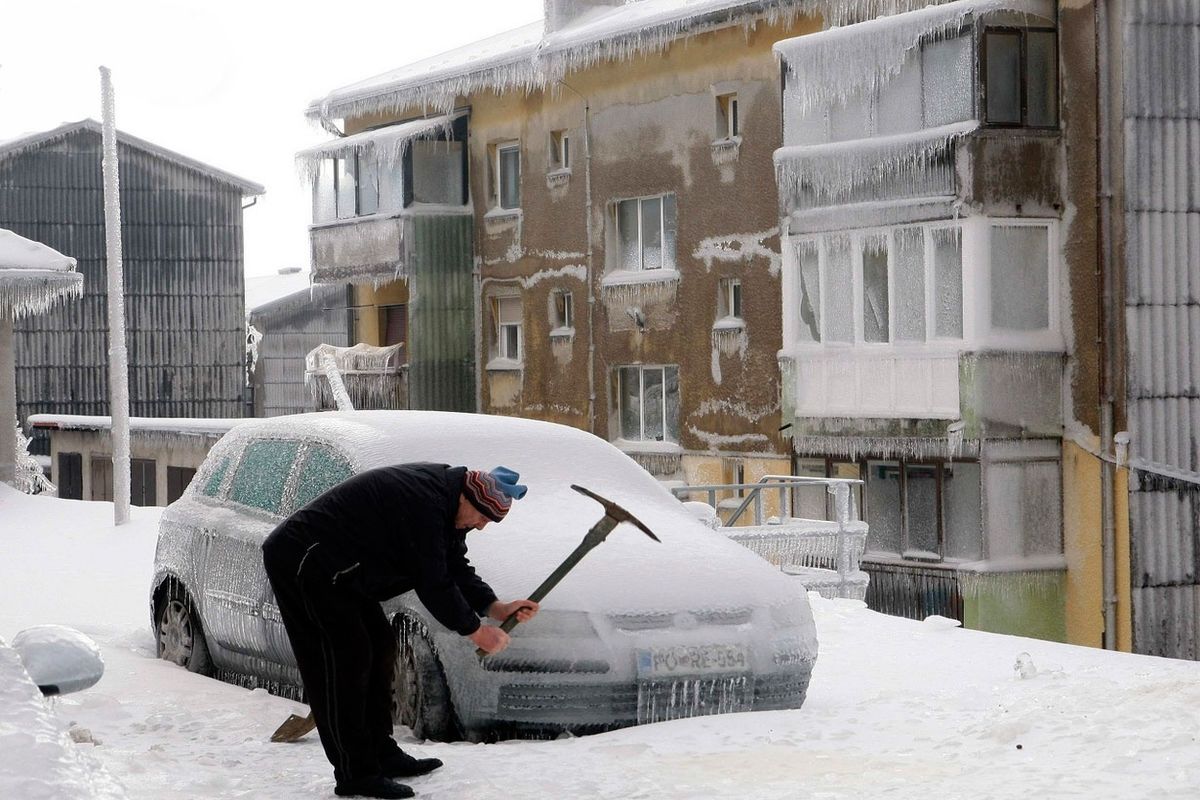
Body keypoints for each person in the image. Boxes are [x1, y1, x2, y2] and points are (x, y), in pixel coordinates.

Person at [262, 463, 538, 799]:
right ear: (469, 499)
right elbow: (433, 581)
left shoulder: (448, 504)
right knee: (346, 661)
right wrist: (476, 632)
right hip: (304, 562)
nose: (481, 527)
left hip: (345, 573)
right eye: (483, 517)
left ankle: (382, 754)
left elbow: (454, 566)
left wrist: (495, 607)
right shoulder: (425, 502)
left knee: (379, 645)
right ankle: (355, 774)